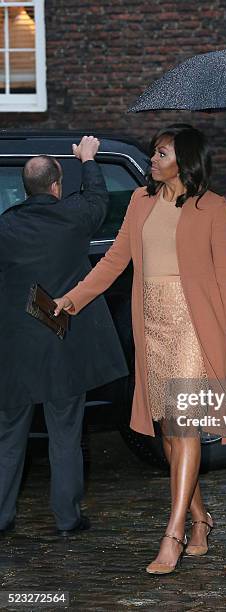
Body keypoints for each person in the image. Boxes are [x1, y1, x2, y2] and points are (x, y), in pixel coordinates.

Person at [54, 124, 226, 574]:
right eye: (155, 152)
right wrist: (72, 299)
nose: (153, 159)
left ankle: (173, 533)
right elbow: (114, 261)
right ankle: (201, 519)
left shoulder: (213, 207)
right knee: (168, 430)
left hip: (194, 326)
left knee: (185, 426)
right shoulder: (140, 202)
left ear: (186, 159)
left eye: (161, 153)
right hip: (152, 324)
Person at [0, 136, 128, 537]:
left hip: (16, 350)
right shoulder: (73, 216)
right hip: (61, 343)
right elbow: (98, 199)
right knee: (65, 435)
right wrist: (87, 160)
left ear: (25, 188)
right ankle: (68, 519)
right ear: (56, 186)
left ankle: (2, 518)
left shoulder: (5, 226)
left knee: (7, 439)